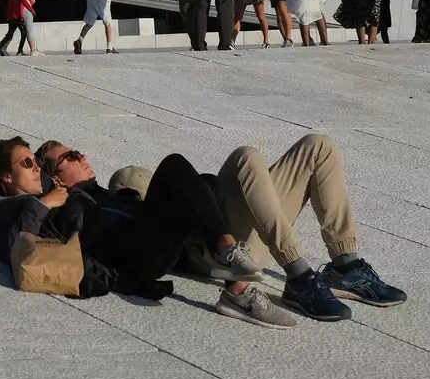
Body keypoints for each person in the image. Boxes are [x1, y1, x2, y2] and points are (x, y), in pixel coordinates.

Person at [113, 134, 406, 321]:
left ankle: (346, 264)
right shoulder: (152, 215)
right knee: (246, 156)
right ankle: (299, 276)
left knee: (319, 146)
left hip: (255, 239)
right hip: (221, 252)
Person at [35, 141, 272, 322]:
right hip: (134, 253)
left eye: (79, 152)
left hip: (151, 239)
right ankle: (226, 250)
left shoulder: (104, 194)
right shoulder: (71, 201)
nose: (82, 157)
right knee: (174, 163)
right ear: (57, 178)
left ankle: (234, 285)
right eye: (71, 156)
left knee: (208, 181)